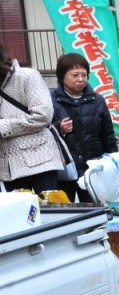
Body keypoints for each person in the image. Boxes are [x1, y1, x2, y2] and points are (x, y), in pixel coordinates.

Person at [52, 53, 117, 202]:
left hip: (92, 167)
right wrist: (59, 128)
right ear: (62, 77)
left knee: (95, 210)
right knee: (63, 214)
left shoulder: (97, 100)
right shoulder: (51, 101)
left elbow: (107, 133)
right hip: (64, 168)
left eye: (84, 75)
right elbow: (44, 131)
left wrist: (112, 159)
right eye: (75, 75)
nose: (80, 79)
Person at [0, 45, 63, 193]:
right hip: (8, 166)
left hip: (40, 159)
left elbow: (43, 116)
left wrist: (4, 126)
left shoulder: (27, 76)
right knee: (19, 213)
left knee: (51, 211)